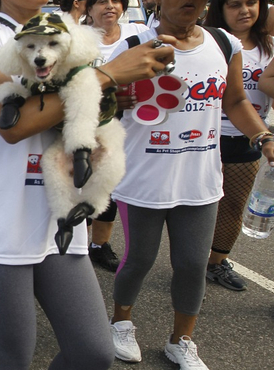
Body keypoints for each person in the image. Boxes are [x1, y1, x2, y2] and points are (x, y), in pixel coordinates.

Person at [0, 0, 177, 368]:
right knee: (12, 357)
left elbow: (69, 100)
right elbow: (14, 124)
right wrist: (107, 75)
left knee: (92, 353)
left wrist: (109, 94)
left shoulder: (64, 31)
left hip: (59, 212)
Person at [107, 0, 274, 367]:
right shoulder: (134, 43)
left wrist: (264, 138)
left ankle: (180, 340)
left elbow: (234, 100)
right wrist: (120, 96)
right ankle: (120, 322)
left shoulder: (224, 42)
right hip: (144, 178)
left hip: (200, 179)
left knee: (191, 264)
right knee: (139, 260)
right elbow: (108, 102)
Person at [204, 0, 274, 291]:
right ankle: (191, 263)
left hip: (248, 138)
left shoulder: (270, 45)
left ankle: (217, 263)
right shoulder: (208, 41)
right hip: (205, 137)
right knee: (200, 208)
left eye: (251, 3)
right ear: (221, 9)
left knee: (233, 205)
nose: (244, 10)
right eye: (235, 4)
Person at [85, 0, 150, 272]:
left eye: (115, 1)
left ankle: (99, 245)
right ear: (87, 8)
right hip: (85, 123)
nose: (109, 6)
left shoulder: (138, 35)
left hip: (124, 125)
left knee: (111, 185)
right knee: (80, 185)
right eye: (101, 1)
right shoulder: (76, 38)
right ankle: (69, 243)